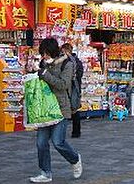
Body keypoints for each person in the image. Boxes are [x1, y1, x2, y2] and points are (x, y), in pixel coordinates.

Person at [30, 38, 82, 183]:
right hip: (45, 108)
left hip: (61, 108)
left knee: (58, 141)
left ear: (53, 51)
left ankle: (75, 159)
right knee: (41, 142)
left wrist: (44, 74)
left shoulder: (67, 63)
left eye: (46, 53)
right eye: (43, 54)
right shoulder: (43, 63)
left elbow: (63, 85)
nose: (44, 56)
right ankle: (45, 173)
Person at [60, 43, 84, 138]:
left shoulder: (73, 62)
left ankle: (75, 131)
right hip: (72, 87)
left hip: (73, 87)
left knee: (73, 109)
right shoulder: (75, 61)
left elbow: (78, 75)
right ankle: (75, 131)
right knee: (73, 109)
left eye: (63, 52)